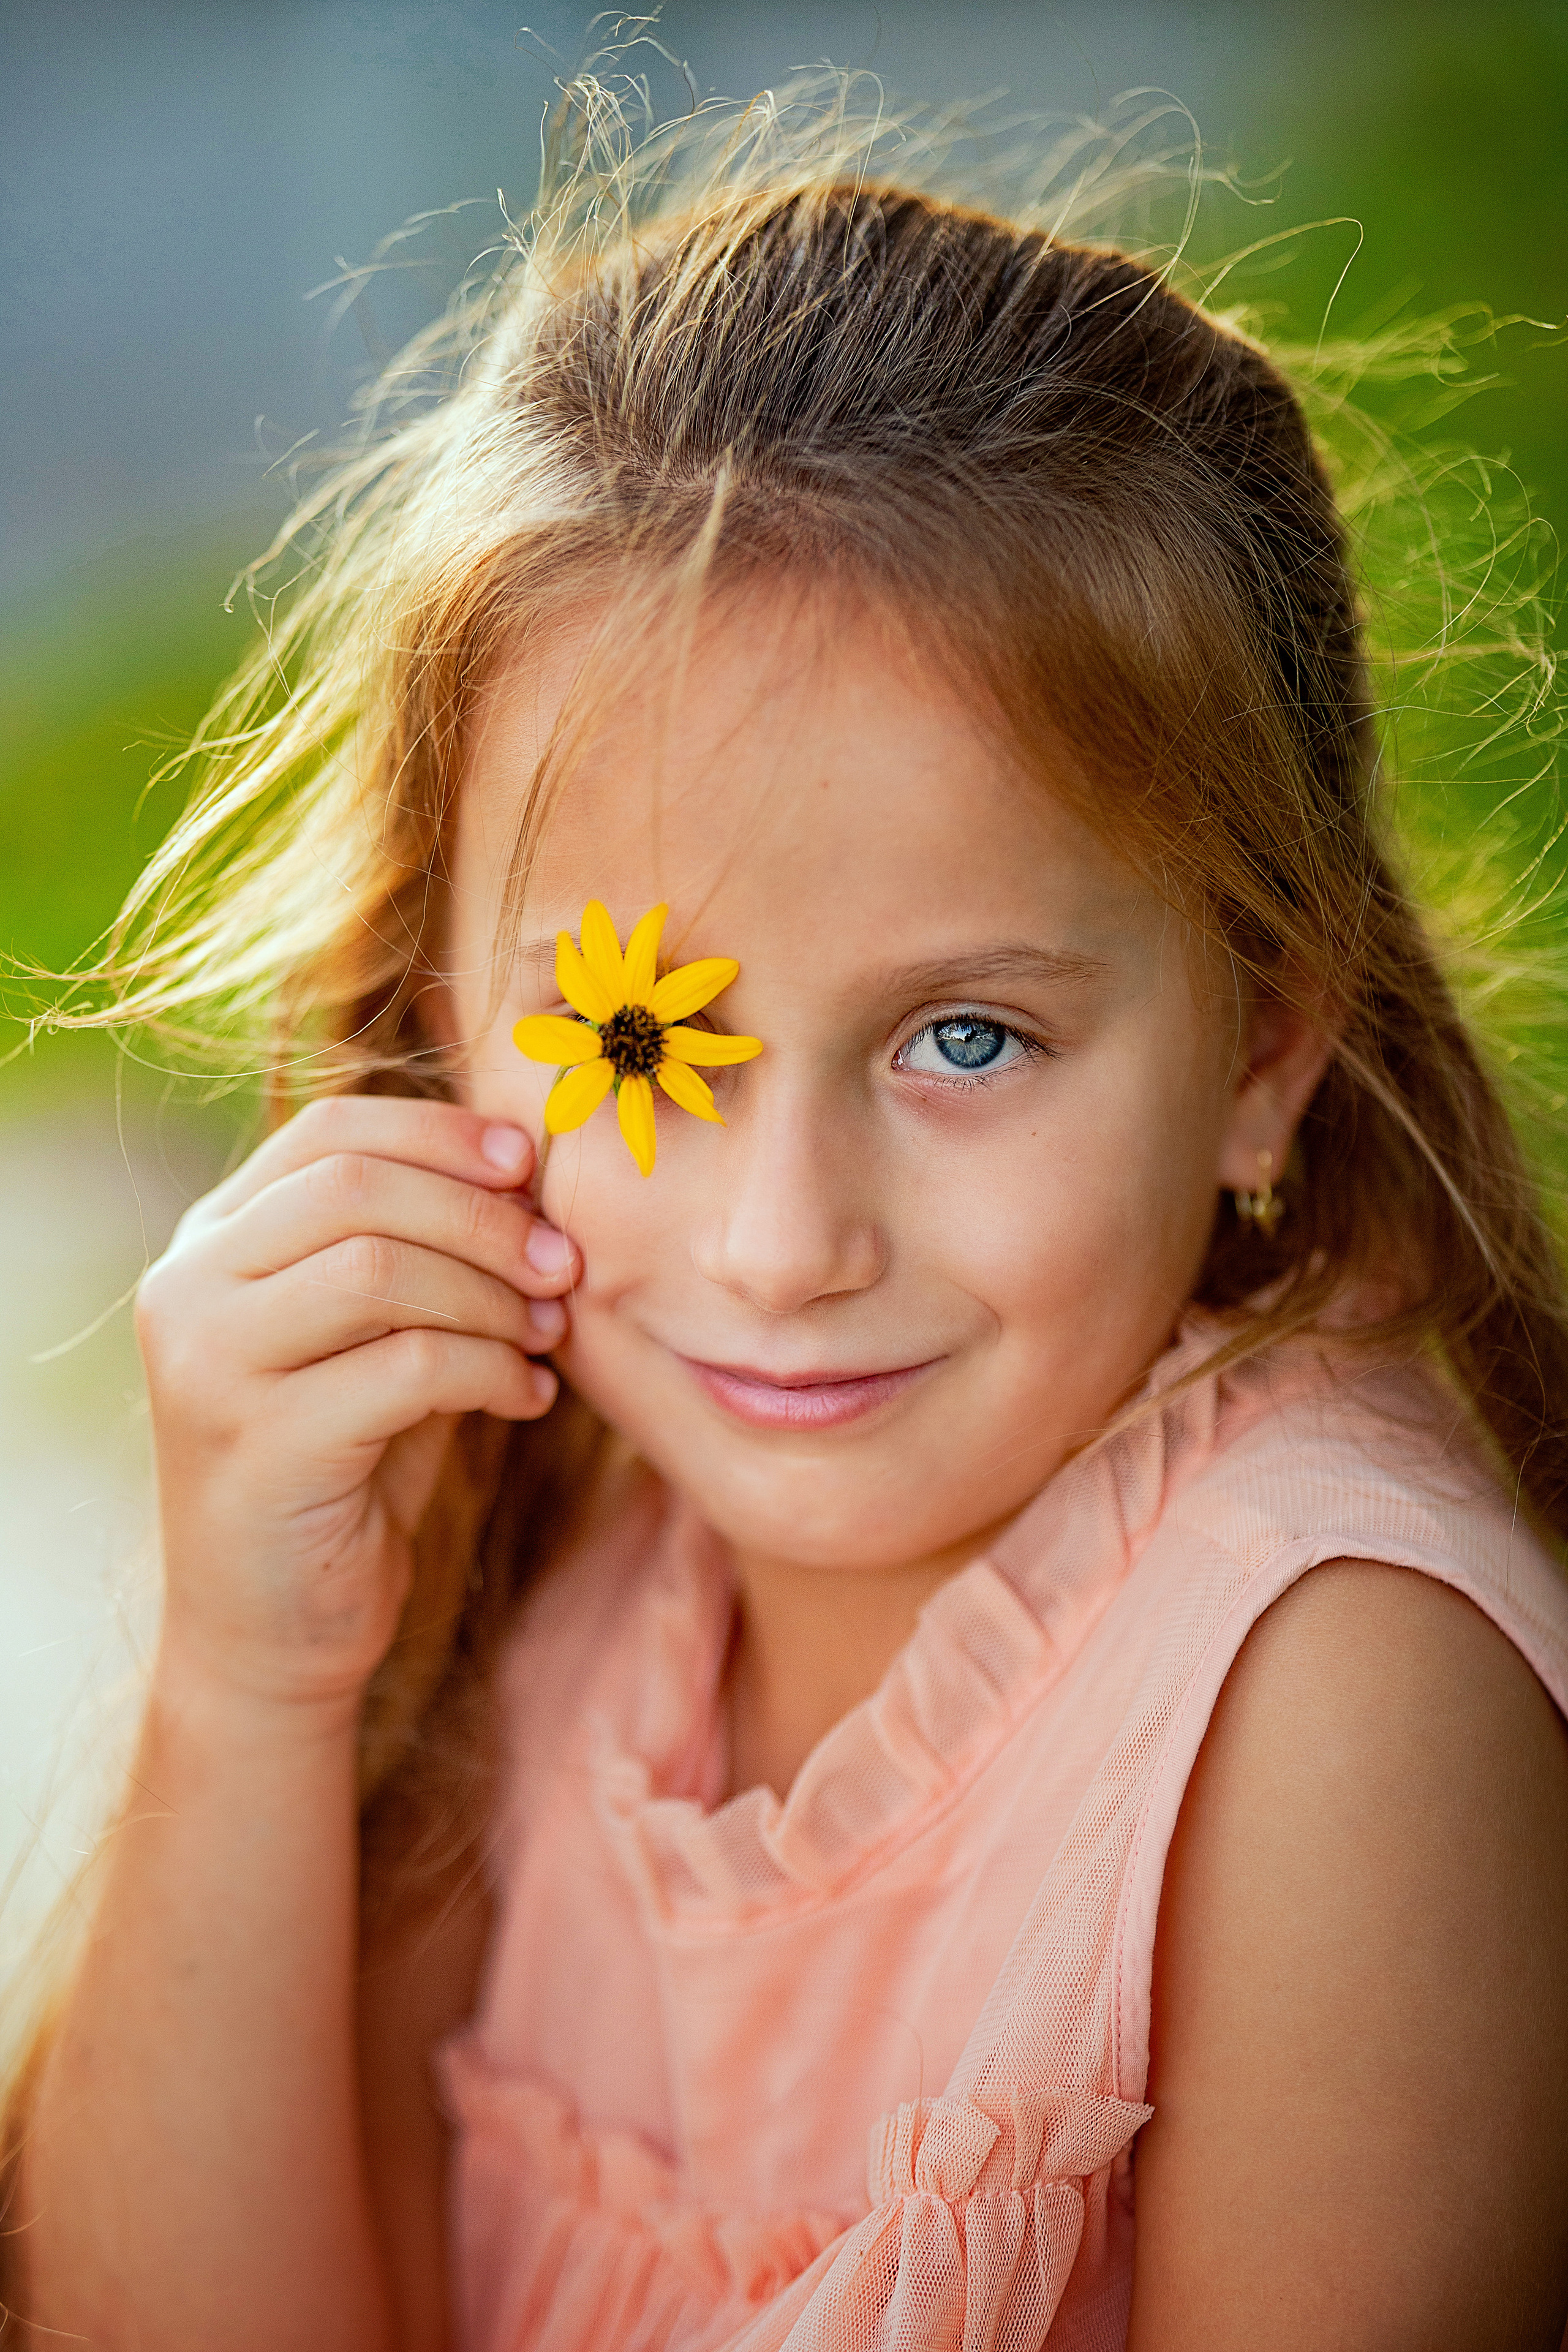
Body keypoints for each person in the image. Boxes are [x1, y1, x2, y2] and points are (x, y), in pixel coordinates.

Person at [7, 75, 1568, 2352]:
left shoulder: (1333, 1705)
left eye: (968, 1041)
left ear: (1264, 1052)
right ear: (441, 1017)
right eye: (647, 1042)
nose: (778, 1243)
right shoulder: (565, 1559)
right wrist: (253, 1689)